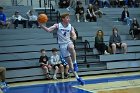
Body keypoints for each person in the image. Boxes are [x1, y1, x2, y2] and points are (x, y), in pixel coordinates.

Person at [39, 13, 85, 85]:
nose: (69, 19)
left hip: (68, 42)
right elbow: (48, 30)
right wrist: (41, 25)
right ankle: (77, 77)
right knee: (70, 64)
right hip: (62, 45)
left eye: (69, 18)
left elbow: (74, 34)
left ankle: (75, 63)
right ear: (63, 19)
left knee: (71, 47)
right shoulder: (57, 25)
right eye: (67, 18)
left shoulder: (70, 27)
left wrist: (74, 37)